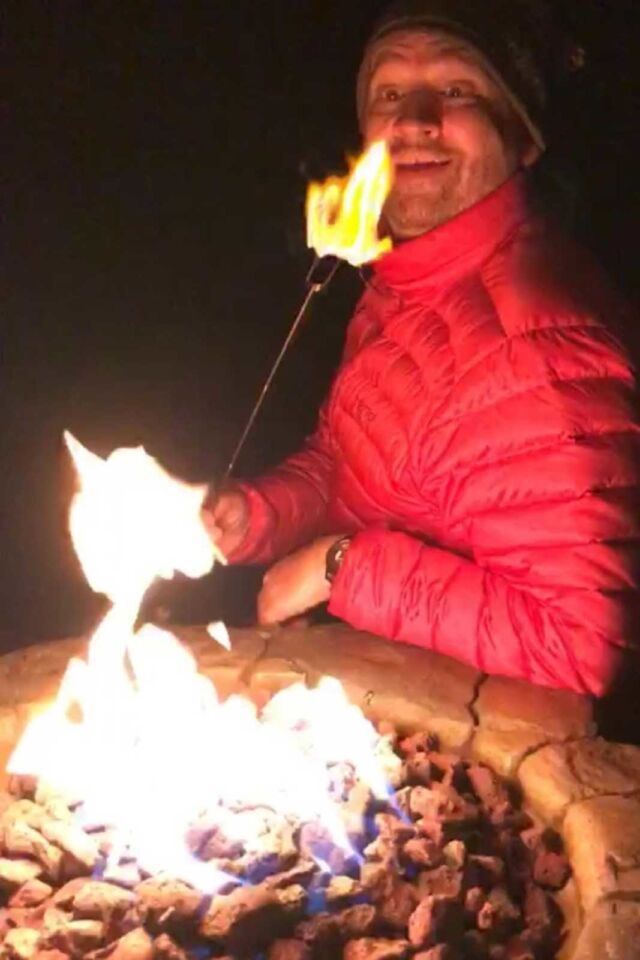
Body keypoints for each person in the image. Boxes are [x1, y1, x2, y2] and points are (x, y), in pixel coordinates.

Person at [204, 0, 640, 696]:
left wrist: (341, 567)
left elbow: (581, 647)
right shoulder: (408, 285)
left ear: (523, 137)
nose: (413, 120)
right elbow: (350, 464)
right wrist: (260, 513)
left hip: (473, 738)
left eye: (459, 89)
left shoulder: (536, 347)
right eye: (390, 93)